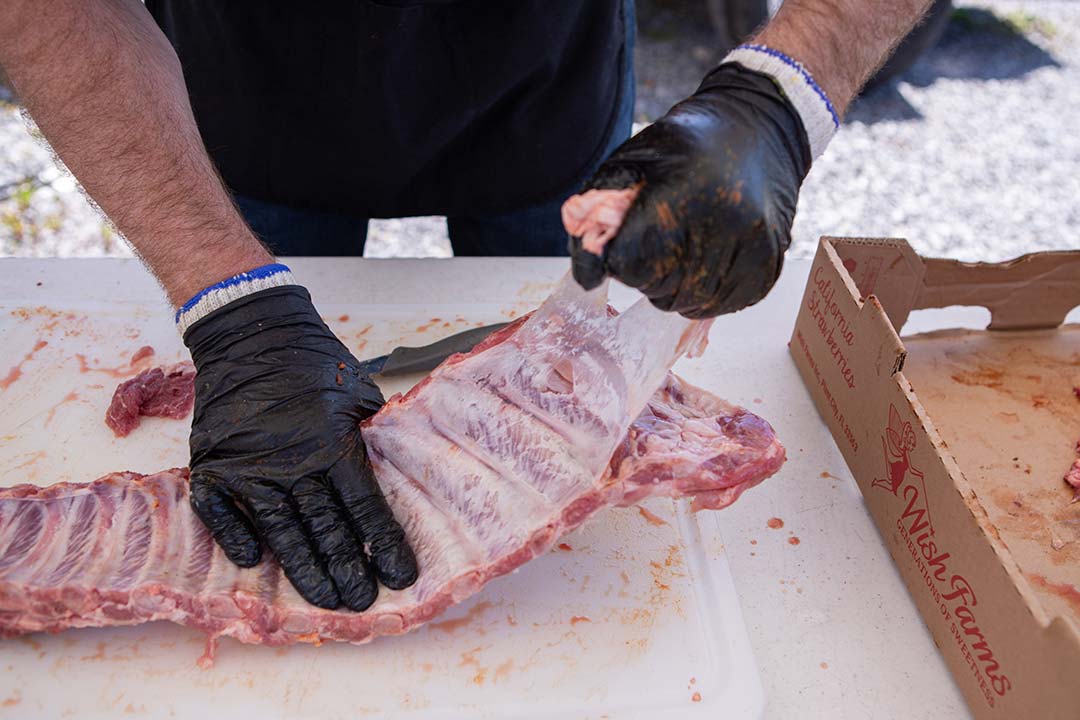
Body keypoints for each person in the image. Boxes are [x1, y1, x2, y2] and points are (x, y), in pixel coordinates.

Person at [0, 0, 932, 611]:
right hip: (249, 98)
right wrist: (227, 298)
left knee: (572, 367)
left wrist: (781, 95)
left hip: (541, 92)